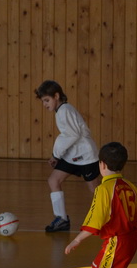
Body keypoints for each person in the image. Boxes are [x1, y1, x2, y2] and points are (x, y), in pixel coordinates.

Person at [35, 80, 101, 232]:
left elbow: (72, 135)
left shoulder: (65, 110)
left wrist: (56, 155)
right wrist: (58, 155)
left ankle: (112, 215)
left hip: (86, 156)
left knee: (95, 190)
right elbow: (68, 137)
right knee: (54, 180)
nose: (44, 104)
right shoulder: (61, 111)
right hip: (73, 155)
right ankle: (62, 219)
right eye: (43, 101)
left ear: (56, 96)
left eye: (47, 100)